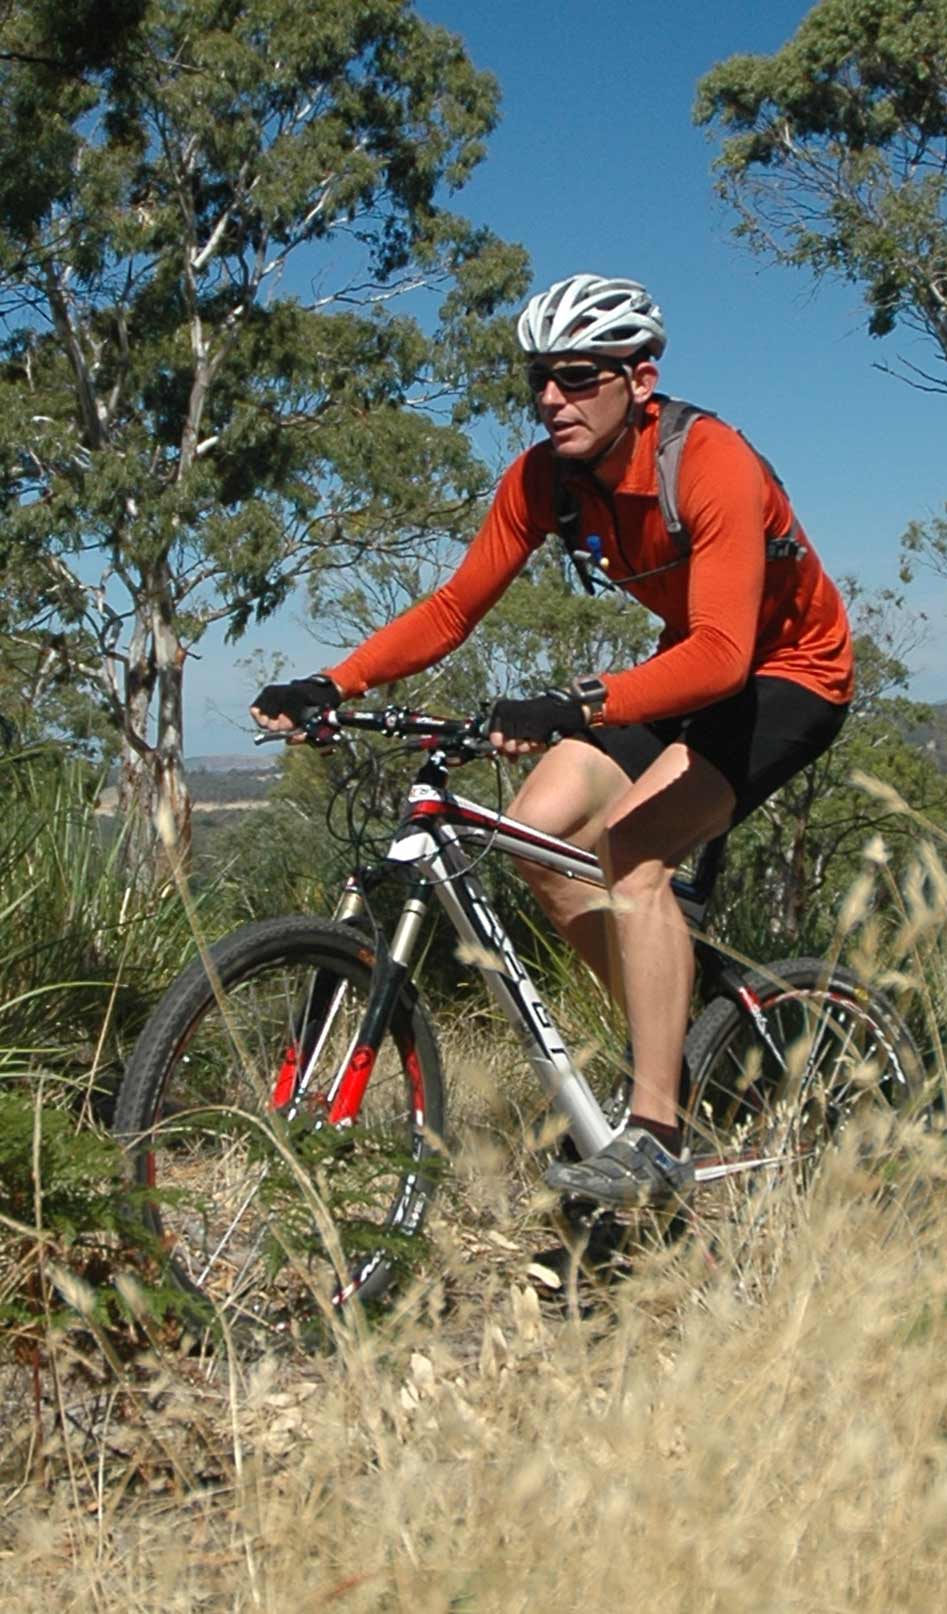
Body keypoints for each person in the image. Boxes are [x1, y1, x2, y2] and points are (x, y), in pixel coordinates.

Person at [252, 272, 854, 1208]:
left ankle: (654, 1131)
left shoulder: (708, 460)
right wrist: (335, 681)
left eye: (576, 377)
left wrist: (573, 704)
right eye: (539, 378)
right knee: (538, 836)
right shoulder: (547, 478)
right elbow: (455, 607)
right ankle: (682, 1039)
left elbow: (729, 657)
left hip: (788, 675)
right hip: (681, 665)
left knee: (633, 848)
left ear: (639, 379)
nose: (549, 399)